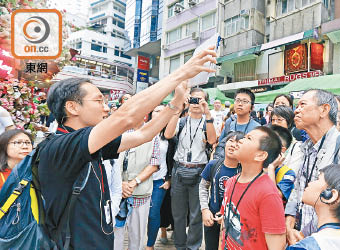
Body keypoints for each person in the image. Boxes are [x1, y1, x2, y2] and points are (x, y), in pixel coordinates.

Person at [38, 48, 217, 249]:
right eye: (99, 101)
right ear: (72, 107)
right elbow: (126, 117)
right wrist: (182, 73)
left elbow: (143, 134)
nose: (106, 107)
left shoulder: (90, 144)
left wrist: (176, 103)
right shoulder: (60, 146)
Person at [285, 89, 340, 249]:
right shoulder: (303, 148)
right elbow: (297, 189)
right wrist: (289, 223)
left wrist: (313, 237)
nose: (296, 110)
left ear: (324, 109)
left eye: (302, 104)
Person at [164, 88, 217, 250]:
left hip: (199, 171)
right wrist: (179, 109)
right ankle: (180, 246)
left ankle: (193, 247)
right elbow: (167, 134)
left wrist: (208, 115)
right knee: (178, 214)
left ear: (205, 102)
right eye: (193, 99)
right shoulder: (181, 121)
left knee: (196, 214)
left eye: (199, 100)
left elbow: (212, 140)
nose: (195, 103)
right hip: (179, 170)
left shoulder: (207, 121)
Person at [217, 126, 286, 249]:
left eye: (248, 138)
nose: (240, 140)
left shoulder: (268, 193)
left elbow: (276, 246)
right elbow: (224, 227)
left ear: (260, 155)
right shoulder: (231, 182)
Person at [114, 114, 159, 250]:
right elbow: (110, 160)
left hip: (140, 192)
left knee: (137, 236)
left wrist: (133, 182)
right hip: (117, 192)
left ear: (145, 115)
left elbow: (154, 164)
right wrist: (120, 184)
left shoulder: (152, 134)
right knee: (116, 235)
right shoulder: (117, 131)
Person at [199, 131, 244, 250]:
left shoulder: (244, 170)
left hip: (234, 222)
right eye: (231, 141)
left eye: (238, 142)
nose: (233, 145)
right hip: (212, 217)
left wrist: (228, 217)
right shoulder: (213, 165)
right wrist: (204, 209)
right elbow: (203, 187)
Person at [146, 105, 176, 250]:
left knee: (153, 213)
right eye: (156, 110)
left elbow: (172, 160)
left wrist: (169, 179)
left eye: (162, 111)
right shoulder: (143, 131)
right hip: (141, 180)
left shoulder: (169, 136)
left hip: (159, 181)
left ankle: (150, 244)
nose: (159, 113)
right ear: (151, 113)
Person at [215, 88, 260, 159]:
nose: (240, 104)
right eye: (237, 100)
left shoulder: (257, 128)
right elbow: (221, 144)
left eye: (245, 101)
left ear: (252, 107)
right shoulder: (229, 123)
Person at [266, 125, 295, 205]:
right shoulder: (257, 163)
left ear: (282, 149)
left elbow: (275, 197)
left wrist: (271, 168)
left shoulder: (288, 173)